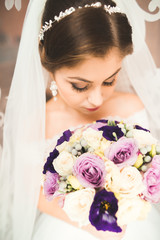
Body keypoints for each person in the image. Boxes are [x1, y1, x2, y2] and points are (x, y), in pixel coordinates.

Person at [0, 0, 160, 240]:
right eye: (80, 85)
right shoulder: (36, 124)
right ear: (46, 60)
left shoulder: (133, 108)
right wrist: (94, 227)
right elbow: (32, 192)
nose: (96, 98)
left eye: (109, 80)